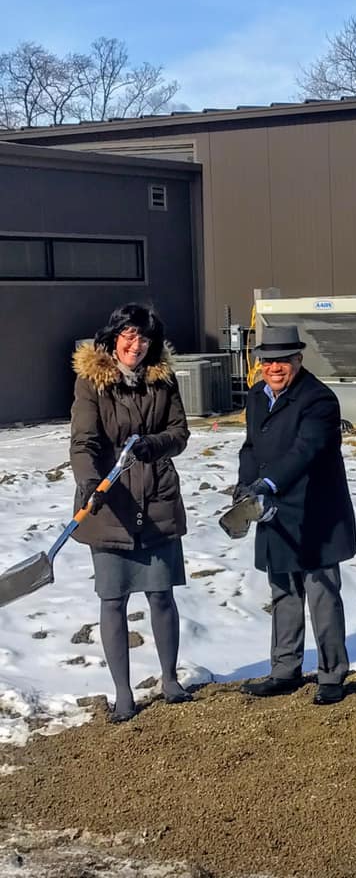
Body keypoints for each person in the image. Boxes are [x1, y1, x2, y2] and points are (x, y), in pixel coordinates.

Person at [70, 303, 192, 723]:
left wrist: (152, 446)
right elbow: (83, 441)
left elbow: (179, 433)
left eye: (143, 338)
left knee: (161, 594)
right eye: (129, 335)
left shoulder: (162, 379)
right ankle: (123, 692)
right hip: (109, 502)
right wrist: (89, 482)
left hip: (156, 495)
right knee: (113, 599)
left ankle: (170, 679)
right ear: (113, 336)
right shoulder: (92, 383)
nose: (136, 345)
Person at [237, 324, 356, 705]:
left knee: (322, 593)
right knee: (283, 590)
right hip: (273, 510)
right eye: (268, 361)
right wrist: (245, 484)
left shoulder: (319, 399)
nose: (274, 367)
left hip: (315, 512)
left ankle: (332, 674)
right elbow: (251, 447)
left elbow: (305, 451)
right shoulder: (257, 396)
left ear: (298, 360)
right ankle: (285, 669)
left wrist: (267, 483)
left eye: (283, 360)